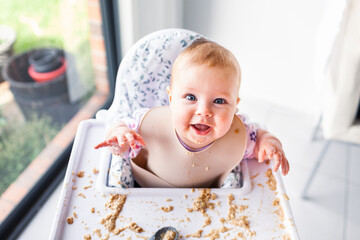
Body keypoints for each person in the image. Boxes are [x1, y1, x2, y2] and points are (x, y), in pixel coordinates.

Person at [95, 38, 289, 188]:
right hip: (146, 195)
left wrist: (269, 143)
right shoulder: (146, 126)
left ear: (235, 107)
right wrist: (118, 136)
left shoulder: (238, 136)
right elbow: (120, 146)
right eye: (190, 97)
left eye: (219, 101)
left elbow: (258, 142)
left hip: (206, 208)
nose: (204, 111)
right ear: (170, 98)